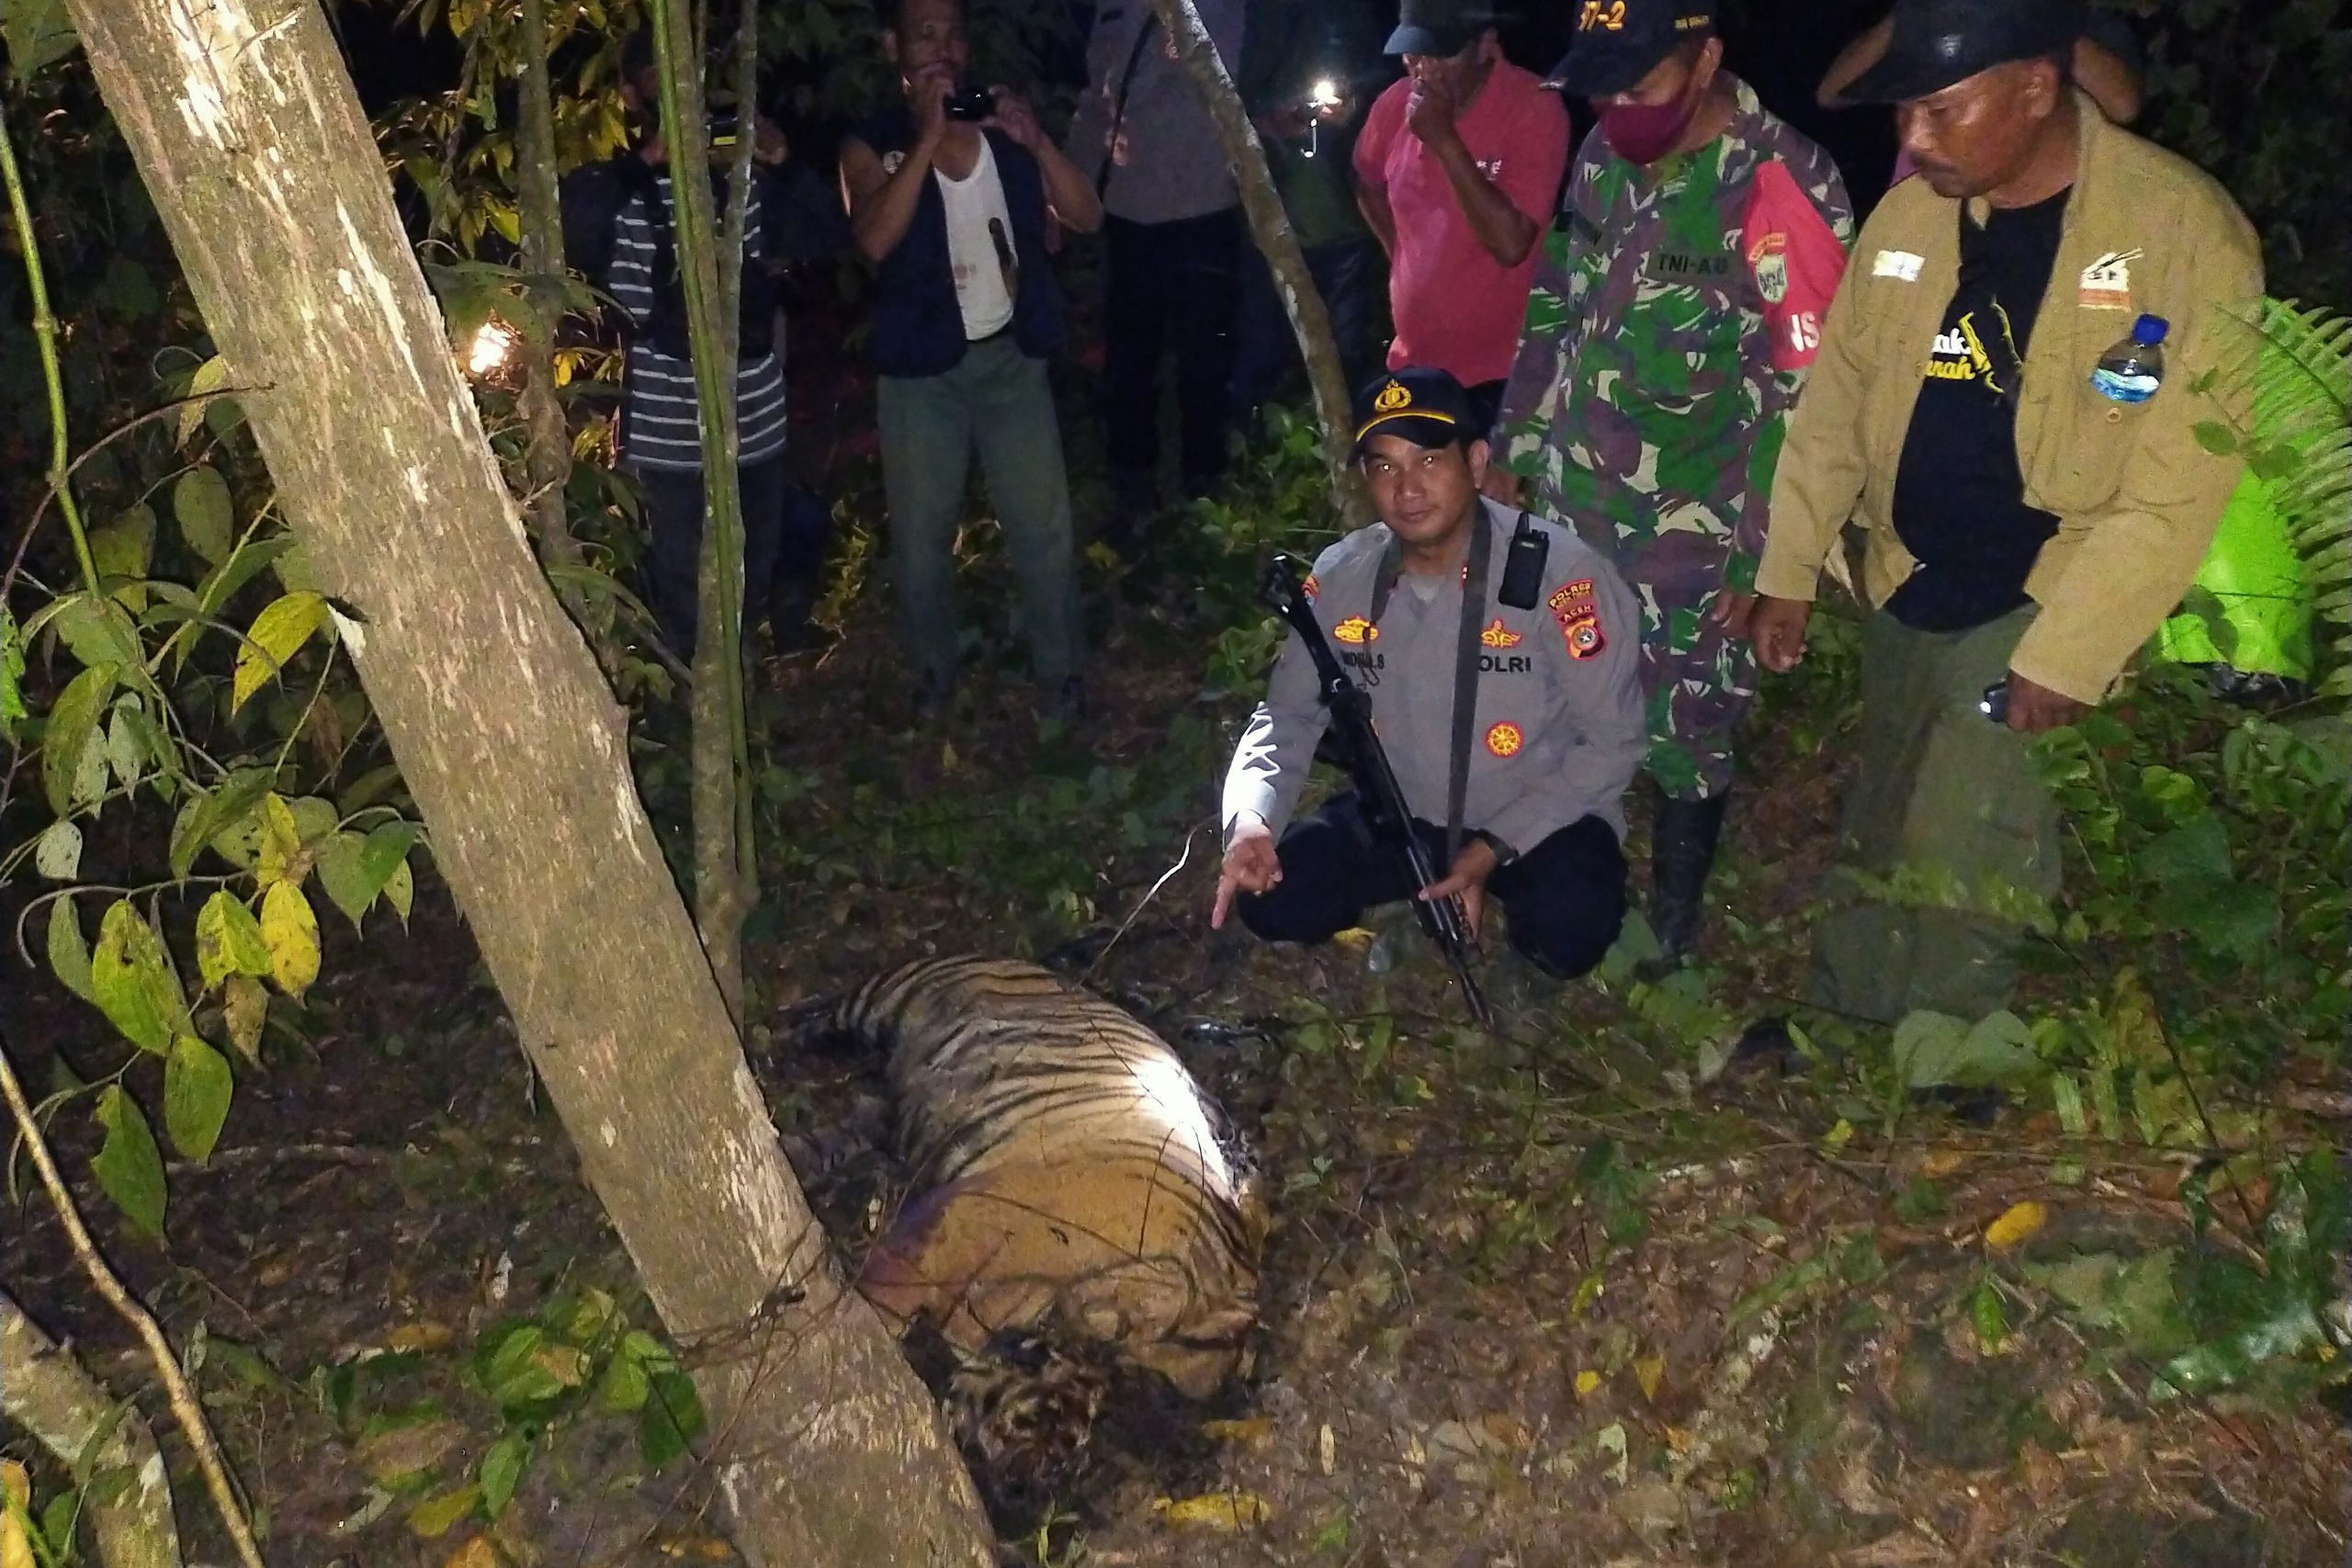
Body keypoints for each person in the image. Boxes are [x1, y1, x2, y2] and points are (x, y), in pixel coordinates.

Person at [1747, 0, 2261, 1024]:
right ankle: (1840, 1015)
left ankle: (1949, 1057)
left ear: (2035, 88)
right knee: (1881, 815)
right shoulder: (1911, 217)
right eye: (1906, 116)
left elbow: (2176, 486)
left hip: (2041, 587)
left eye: (1941, 111)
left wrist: (2068, 652)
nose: (1912, 140)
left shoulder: (2179, 234)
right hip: (1908, 573)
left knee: (1969, 835)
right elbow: (1835, 408)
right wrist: (1786, 569)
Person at [1489, 0, 1853, 964]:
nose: (1616, 104)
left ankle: (1672, 936)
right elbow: (1555, 304)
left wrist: (1775, 557)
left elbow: (1808, 400)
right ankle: (1565, 910)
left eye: (1639, 84)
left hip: (1698, 534)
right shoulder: (1604, 156)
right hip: (1576, 508)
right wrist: (1513, 448)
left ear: (1706, 62)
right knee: (1561, 708)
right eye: (1601, 86)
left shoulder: (1781, 182)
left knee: (1685, 735)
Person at [1213, 367, 1647, 981]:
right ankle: (1414, 894)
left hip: (1532, 814)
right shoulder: (1346, 576)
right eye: (1384, 466)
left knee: (1568, 929)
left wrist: (1487, 849)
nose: (1407, 488)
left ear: (1474, 463)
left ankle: (1496, 898)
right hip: (1401, 810)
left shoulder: (1560, 577)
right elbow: (1287, 713)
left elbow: (1613, 742)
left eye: (1427, 459)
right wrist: (1252, 818)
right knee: (1274, 896)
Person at [840, 0, 1100, 713]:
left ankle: (1061, 674)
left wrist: (1036, 140)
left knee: (1043, 528)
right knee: (923, 542)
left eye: (953, 33)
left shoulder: (1002, 128)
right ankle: (933, 676)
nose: (943, 48)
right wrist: (926, 138)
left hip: (1012, 363)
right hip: (924, 376)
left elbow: (1086, 215)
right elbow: (874, 240)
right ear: (893, 46)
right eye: (925, 33)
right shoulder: (874, 140)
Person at [560, 32, 844, 660]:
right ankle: (694, 715)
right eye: (655, 80)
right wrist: (653, 161)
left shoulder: (745, 180)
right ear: (633, 94)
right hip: (668, 438)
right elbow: (573, 235)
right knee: (684, 585)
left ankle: (744, 697)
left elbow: (827, 237)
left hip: (757, 421)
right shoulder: (622, 187)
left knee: (753, 566)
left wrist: (784, 160)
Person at [1065, 0, 1247, 517]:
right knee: (1129, 359)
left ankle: (1206, 484)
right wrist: (1064, 188)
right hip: (1130, 209)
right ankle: (1131, 482)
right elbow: (1099, 97)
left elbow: (1226, 74)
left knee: (1206, 358)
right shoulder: (1113, 9)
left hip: (1204, 205)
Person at [1352, 0, 1568, 427]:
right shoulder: (1393, 106)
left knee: (1491, 494)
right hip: (1415, 364)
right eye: (1413, 53)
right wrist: (1400, 256)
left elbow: (1511, 244)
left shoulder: (1533, 107)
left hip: (1506, 373)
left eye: (1441, 54)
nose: (1423, 69)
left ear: (1486, 45)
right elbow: (1365, 179)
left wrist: (1443, 141)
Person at [1230, 0, 1389, 423]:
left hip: (1343, 218)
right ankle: (1247, 448)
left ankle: (1348, 450)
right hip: (1272, 217)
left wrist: (1353, 107)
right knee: (1264, 347)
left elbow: (1379, 83)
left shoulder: (1349, 14)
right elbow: (1231, 95)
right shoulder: (1260, 14)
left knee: (1347, 349)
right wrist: (1268, 120)